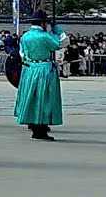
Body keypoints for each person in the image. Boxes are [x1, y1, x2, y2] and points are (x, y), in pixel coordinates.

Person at [14, 10, 69, 141]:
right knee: (44, 98)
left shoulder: (25, 36)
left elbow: (22, 53)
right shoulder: (44, 36)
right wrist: (57, 30)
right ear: (43, 23)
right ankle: (41, 128)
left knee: (31, 97)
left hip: (29, 69)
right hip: (43, 69)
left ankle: (32, 122)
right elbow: (62, 42)